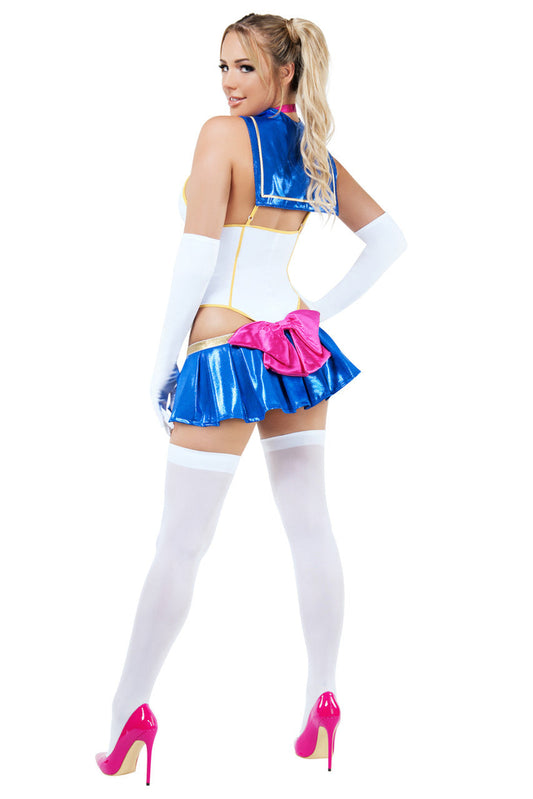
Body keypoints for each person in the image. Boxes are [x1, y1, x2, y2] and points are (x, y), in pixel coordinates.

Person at [95, 12, 407, 782]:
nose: (228, 83)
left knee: (179, 544)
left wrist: (161, 359)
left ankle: (129, 715)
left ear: (284, 71)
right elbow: (388, 241)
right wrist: (314, 316)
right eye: (222, 67)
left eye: (244, 67)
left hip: (225, 351)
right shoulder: (309, 150)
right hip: (293, 353)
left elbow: (196, 258)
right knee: (310, 527)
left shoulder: (218, 137)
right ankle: (322, 698)